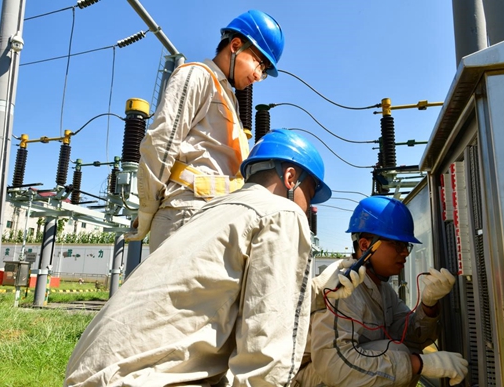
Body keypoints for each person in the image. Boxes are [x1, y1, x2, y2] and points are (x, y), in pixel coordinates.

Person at [64, 129, 366, 387]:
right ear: (291, 178)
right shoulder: (282, 213)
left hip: (97, 372)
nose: (308, 208)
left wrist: (317, 292)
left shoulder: (210, 212)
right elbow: (267, 344)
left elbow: (221, 296)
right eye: (310, 194)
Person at [124, 10, 285, 252]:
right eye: (259, 63)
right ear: (235, 45)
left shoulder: (228, 99)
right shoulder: (196, 75)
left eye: (263, 72)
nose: (257, 75)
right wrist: (146, 210)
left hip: (212, 215)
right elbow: (161, 144)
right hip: (186, 213)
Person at [293, 196, 469, 387]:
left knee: (400, 350)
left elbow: (409, 338)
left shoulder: (383, 289)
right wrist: (419, 364)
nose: (405, 252)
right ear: (365, 246)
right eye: (397, 244)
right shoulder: (341, 286)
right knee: (398, 352)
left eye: (406, 245)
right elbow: (335, 367)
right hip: (312, 379)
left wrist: (429, 305)